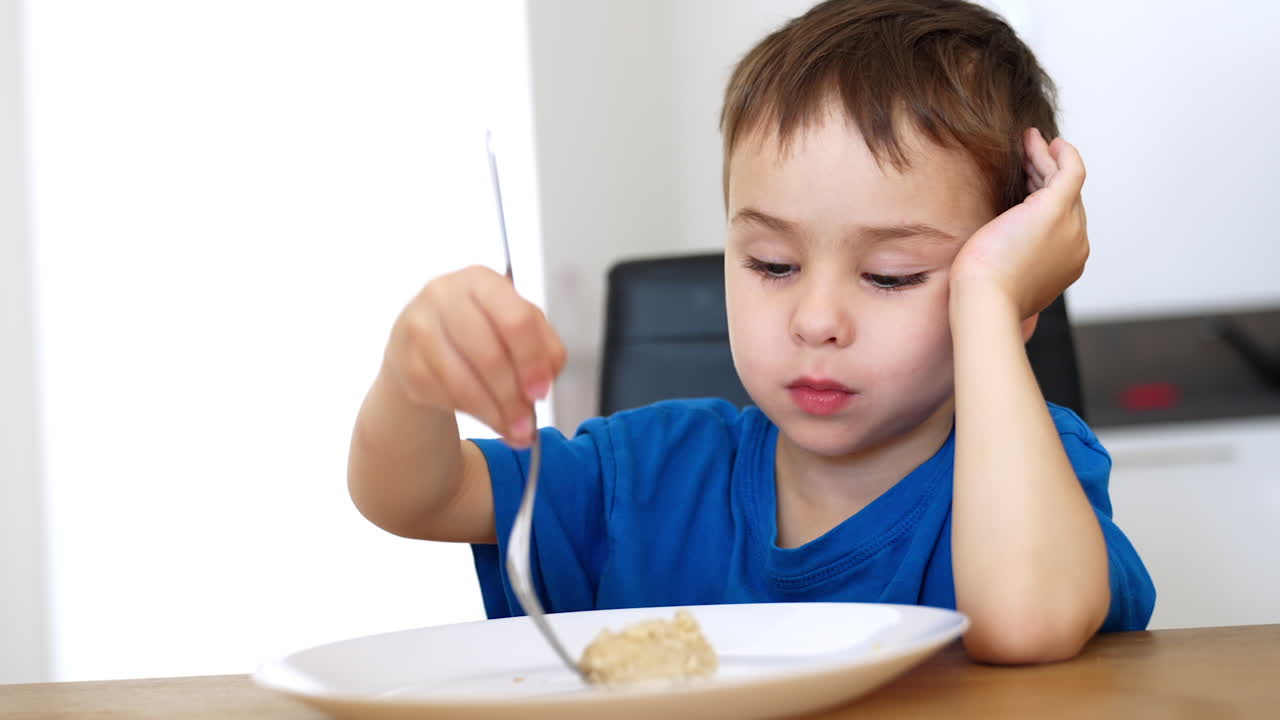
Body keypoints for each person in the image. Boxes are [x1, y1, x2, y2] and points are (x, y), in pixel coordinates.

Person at [347, 0, 1155, 665]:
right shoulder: (645, 476)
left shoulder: (1038, 471)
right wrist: (411, 379)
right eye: (771, 263)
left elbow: (1025, 623)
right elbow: (416, 495)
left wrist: (989, 297)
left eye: (893, 276)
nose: (815, 321)